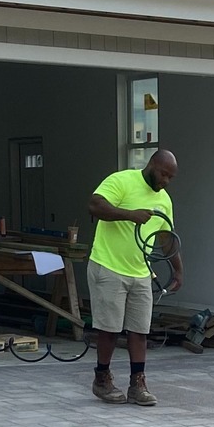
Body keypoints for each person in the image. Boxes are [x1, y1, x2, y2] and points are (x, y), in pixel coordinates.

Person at [86, 149, 180, 407]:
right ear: (152, 165)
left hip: (140, 271)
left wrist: (178, 270)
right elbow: (94, 205)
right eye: (163, 174)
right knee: (109, 329)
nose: (165, 181)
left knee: (140, 330)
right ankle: (102, 379)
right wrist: (130, 214)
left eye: (170, 177)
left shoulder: (164, 200)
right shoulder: (122, 181)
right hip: (109, 265)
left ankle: (137, 384)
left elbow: (166, 237)